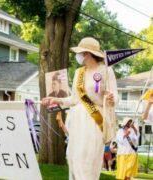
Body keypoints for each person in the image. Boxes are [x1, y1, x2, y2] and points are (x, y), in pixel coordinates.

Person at [42, 37, 118, 180]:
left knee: (88, 159)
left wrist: (112, 99)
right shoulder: (79, 72)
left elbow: (114, 94)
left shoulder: (106, 70)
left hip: (94, 121)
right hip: (77, 121)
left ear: (87, 54)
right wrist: (56, 99)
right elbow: (74, 99)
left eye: (80, 53)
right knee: (74, 158)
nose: (78, 56)